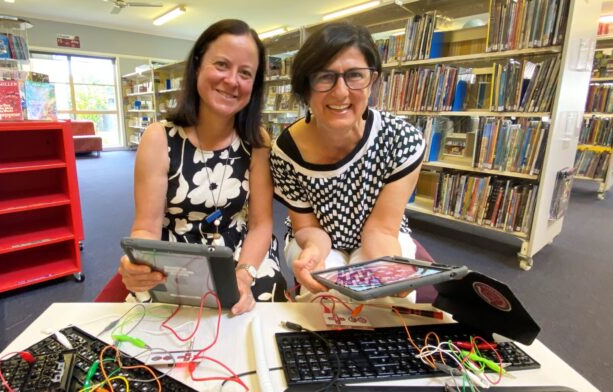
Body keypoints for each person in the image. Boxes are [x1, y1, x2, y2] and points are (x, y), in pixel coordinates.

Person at [118, 19, 287, 314]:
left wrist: (244, 275)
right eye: (221, 65)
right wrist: (137, 262)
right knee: (155, 320)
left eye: (245, 73)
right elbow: (146, 227)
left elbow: (261, 224)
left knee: (261, 310)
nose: (233, 81)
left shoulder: (257, 140)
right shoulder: (159, 137)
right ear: (197, 66)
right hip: (177, 253)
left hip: (241, 250)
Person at [270, 22, 426, 297]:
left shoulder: (403, 140)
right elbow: (307, 227)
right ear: (305, 87)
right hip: (317, 236)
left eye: (355, 75)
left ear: (373, 80)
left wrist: (393, 274)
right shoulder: (286, 150)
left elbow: (382, 229)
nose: (341, 92)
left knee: (386, 300)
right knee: (324, 298)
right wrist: (313, 252)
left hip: (380, 236)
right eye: (324, 76)